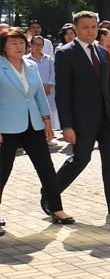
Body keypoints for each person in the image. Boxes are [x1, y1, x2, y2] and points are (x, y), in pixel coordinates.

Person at [53, 11, 110, 215]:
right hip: (82, 121)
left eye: (93, 27)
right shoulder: (65, 53)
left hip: (106, 119)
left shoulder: (103, 52)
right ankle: (50, 192)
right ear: (76, 29)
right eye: (85, 27)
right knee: (81, 159)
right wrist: (67, 125)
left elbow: (107, 89)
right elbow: (62, 94)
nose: (90, 31)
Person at [1, 27, 72, 232]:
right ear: (3, 47)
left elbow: (39, 94)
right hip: (6, 127)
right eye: (13, 43)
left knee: (46, 168)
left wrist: (47, 121)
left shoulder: (31, 65)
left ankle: (56, 209)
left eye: (22, 42)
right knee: (2, 171)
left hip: (33, 124)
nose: (19, 46)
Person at [26, 35, 59, 133]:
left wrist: (49, 85)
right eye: (35, 44)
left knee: (49, 112)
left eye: (40, 45)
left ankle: (48, 133)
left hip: (49, 90)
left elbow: (53, 73)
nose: (38, 47)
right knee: (36, 112)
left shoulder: (48, 59)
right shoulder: (25, 59)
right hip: (33, 91)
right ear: (31, 45)